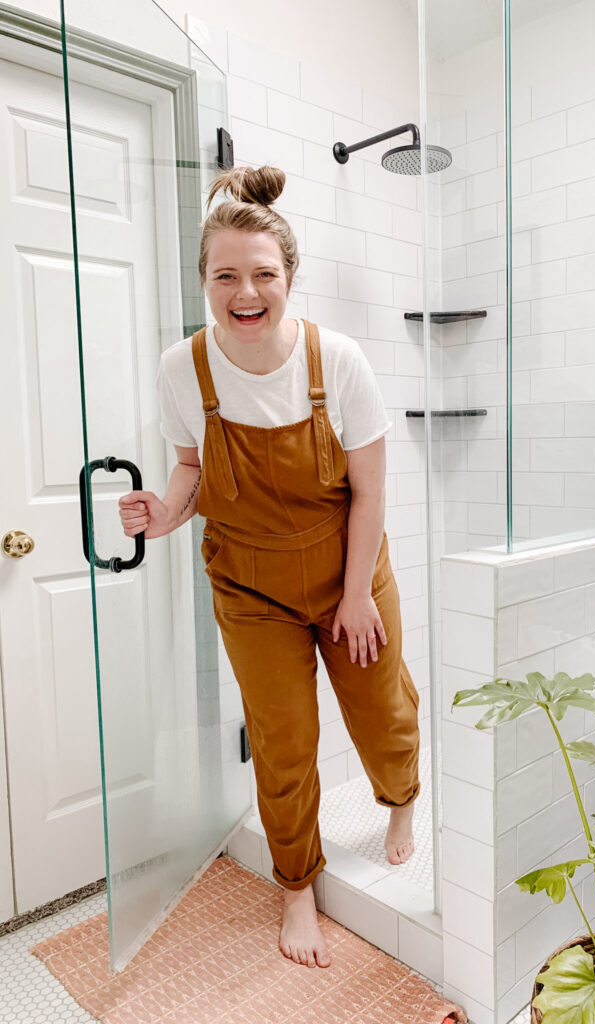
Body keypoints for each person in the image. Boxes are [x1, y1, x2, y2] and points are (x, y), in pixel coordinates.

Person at [118, 165, 421, 970]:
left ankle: (400, 803)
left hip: (348, 570)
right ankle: (297, 888)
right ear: (206, 282)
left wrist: (356, 596)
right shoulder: (182, 367)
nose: (245, 292)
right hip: (249, 585)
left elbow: (372, 491)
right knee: (284, 744)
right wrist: (165, 514)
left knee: (380, 707)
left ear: (289, 278)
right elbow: (190, 469)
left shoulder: (339, 361)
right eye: (226, 275)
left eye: (263, 275)